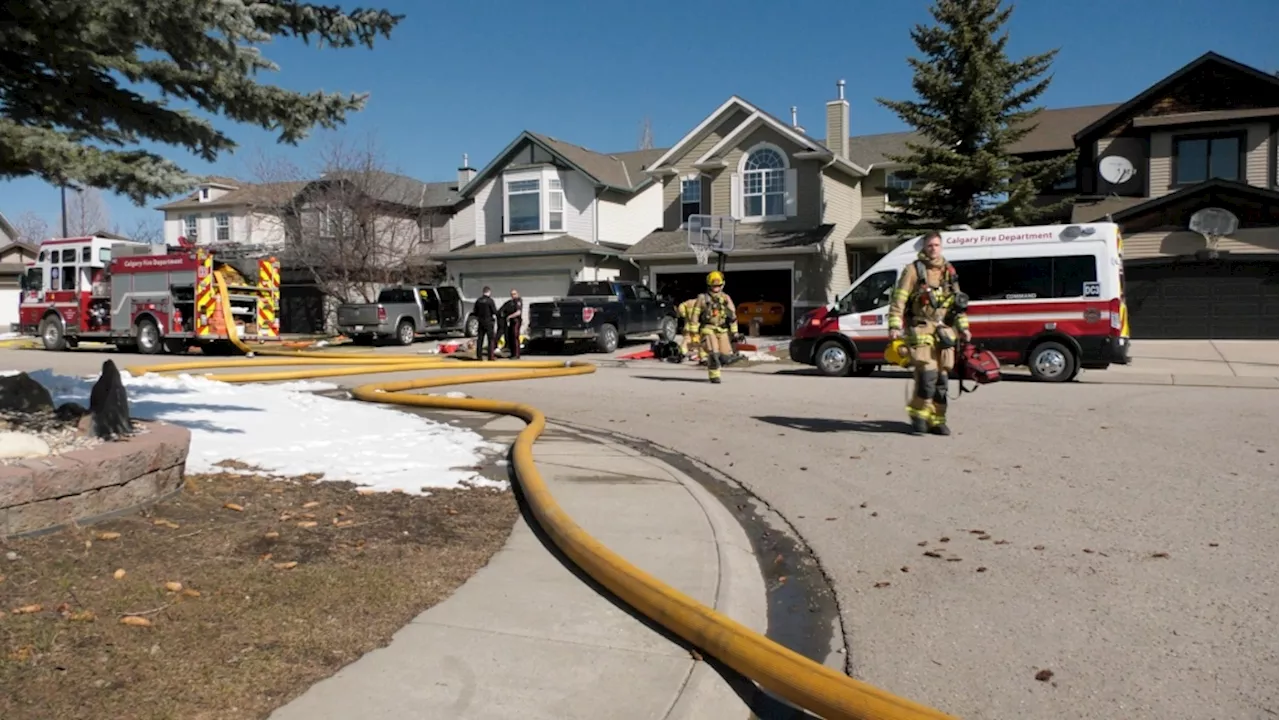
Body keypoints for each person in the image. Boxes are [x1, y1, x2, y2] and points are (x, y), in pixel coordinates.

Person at [887, 229, 972, 436]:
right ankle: (918, 416)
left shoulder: (949, 272)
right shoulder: (913, 270)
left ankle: (937, 419)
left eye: (936, 245)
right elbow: (899, 300)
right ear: (924, 248)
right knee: (927, 378)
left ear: (941, 247)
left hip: (944, 333)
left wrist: (964, 328)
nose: (933, 249)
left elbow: (957, 306)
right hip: (921, 331)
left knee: (942, 381)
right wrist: (894, 326)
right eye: (929, 245)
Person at [694, 271, 743, 384]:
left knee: (726, 357)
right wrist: (694, 334)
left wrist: (735, 332)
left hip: (723, 330)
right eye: (713, 285)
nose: (716, 288)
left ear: (722, 285)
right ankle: (714, 375)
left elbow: (733, 317)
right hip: (708, 328)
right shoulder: (702, 298)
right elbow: (694, 316)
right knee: (713, 353)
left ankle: (718, 362)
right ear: (709, 285)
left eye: (718, 285)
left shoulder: (726, 298)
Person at [676, 297, 705, 364]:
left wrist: (683, 314)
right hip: (698, 327)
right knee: (701, 342)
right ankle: (701, 357)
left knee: (686, 341)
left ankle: (683, 354)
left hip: (688, 327)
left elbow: (681, 310)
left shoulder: (686, 303)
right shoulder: (702, 303)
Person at [473, 286, 499, 361]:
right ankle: (490, 357)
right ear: (489, 292)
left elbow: (475, 312)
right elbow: (494, 311)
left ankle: (479, 356)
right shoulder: (490, 301)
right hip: (489, 322)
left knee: (480, 339)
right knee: (490, 339)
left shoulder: (478, 300)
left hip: (481, 322)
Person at [498, 288, 523, 359]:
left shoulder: (518, 301)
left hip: (516, 321)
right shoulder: (511, 302)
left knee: (515, 337)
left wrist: (509, 316)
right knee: (511, 337)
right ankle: (513, 353)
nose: (513, 295)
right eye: (512, 294)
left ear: (517, 294)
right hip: (511, 322)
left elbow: (518, 312)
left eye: (514, 294)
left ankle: (517, 355)